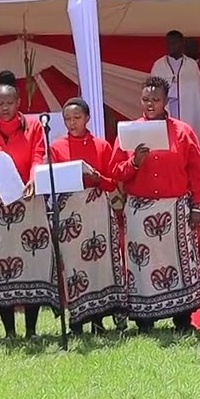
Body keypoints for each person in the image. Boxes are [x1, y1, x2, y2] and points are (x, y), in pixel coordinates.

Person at [114, 77, 200, 332]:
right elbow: (117, 171)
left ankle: (182, 318)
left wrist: (198, 205)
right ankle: (145, 320)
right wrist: (135, 162)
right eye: (146, 99)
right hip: (140, 208)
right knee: (142, 263)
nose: (150, 104)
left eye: (155, 100)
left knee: (179, 263)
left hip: (175, 208)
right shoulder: (129, 130)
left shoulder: (182, 131)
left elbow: (196, 170)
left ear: (165, 101)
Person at [0, 81, 54, 339]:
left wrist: (33, 178)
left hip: (28, 200)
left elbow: (38, 156)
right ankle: (9, 332)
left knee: (32, 263)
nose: (4, 107)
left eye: (9, 102)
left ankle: (31, 329)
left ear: (18, 102)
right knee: (1, 268)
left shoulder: (33, 126)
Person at [49, 97, 128, 334]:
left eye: (77, 118)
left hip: (97, 208)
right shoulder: (56, 146)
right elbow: (51, 180)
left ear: (87, 119)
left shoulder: (102, 145)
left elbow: (112, 180)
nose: (72, 123)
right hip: (70, 210)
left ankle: (100, 317)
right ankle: (77, 318)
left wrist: (97, 179)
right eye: (67, 119)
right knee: (74, 264)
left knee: (101, 263)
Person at [149, 30, 200, 150]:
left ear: (181, 44)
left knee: (187, 143)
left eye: (174, 43)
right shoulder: (159, 65)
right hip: (167, 109)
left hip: (189, 110)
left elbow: (198, 92)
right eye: (169, 43)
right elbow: (152, 93)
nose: (171, 46)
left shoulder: (191, 65)